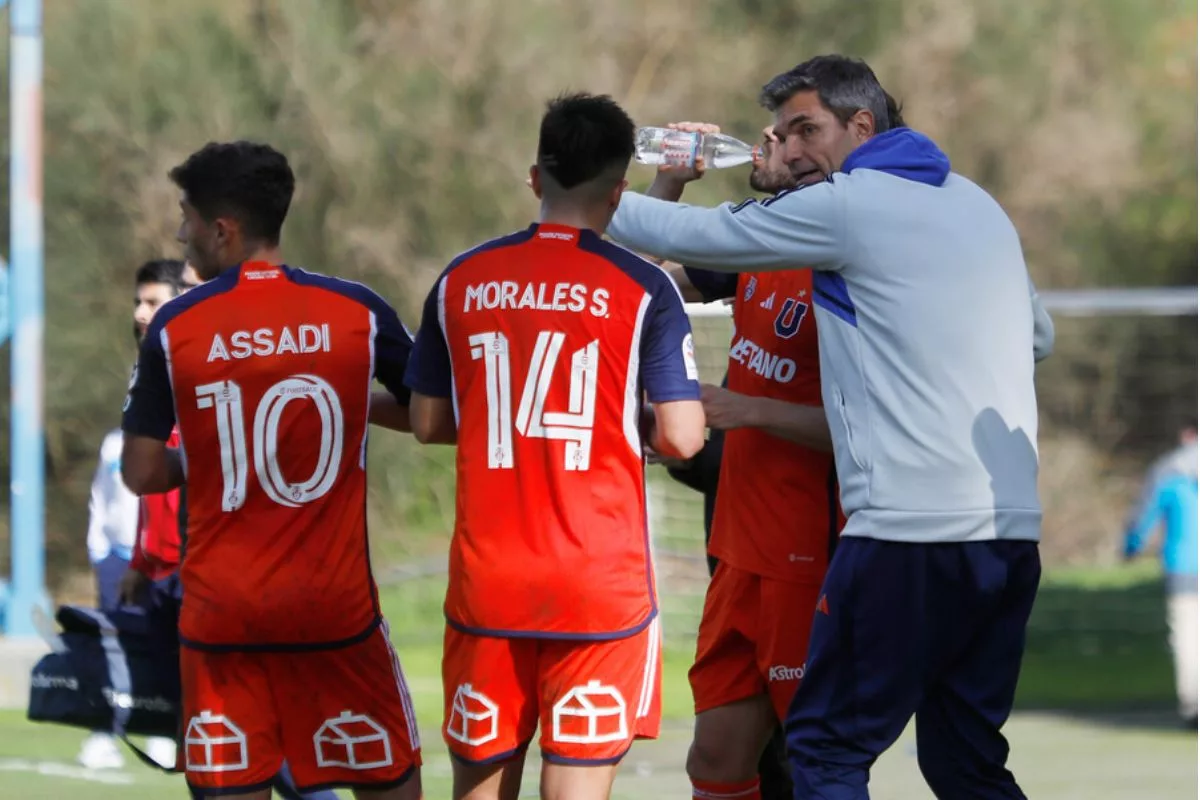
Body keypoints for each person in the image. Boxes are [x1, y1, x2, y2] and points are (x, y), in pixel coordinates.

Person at [605, 55, 1054, 799]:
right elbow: (1036, 336)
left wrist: (582, 187)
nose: (788, 147)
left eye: (806, 129)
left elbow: (686, 231)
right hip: (1007, 534)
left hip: (907, 532)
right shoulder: (975, 204)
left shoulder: (850, 205)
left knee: (824, 751)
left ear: (862, 125)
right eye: (780, 134)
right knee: (964, 761)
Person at [403, 92, 705, 800]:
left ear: (536, 176)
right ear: (621, 190)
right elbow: (683, 437)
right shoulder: (645, 289)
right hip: (598, 589)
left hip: (489, 584)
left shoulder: (461, 278)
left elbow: (425, 421)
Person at [120, 141, 422, 800]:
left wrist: (203, 453)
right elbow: (437, 418)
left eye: (187, 218)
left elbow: (142, 473)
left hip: (222, 619)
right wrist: (350, 407)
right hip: (335, 615)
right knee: (391, 787)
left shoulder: (175, 325)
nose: (180, 232)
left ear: (221, 230)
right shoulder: (357, 311)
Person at [77, 258, 197, 773]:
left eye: (152, 301)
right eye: (138, 302)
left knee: (230, 727)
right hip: (161, 566)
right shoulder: (149, 367)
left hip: (199, 570)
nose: (139, 312)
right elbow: (147, 489)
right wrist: (140, 561)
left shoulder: (196, 363)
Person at [1123, 418, 1199, 728]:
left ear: (1186, 435)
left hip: (1183, 567)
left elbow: (1144, 517)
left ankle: (1194, 706)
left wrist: (1131, 547)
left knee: (1188, 639)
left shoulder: (1170, 471)